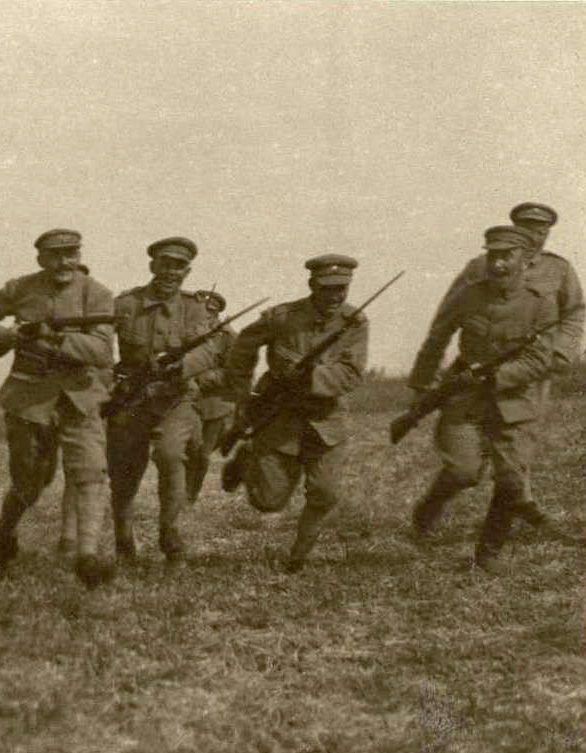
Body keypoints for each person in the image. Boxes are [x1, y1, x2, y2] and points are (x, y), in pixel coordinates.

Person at [408, 225, 573, 572]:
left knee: (511, 481)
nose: (498, 264)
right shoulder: (469, 295)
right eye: (493, 256)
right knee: (463, 471)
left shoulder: (540, 303)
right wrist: (421, 386)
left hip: (515, 402)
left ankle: (489, 553)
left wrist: (497, 377)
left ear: (525, 260)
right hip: (465, 399)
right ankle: (428, 509)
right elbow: (437, 337)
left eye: (506, 256)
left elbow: (538, 360)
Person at [0, 229, 117, 586]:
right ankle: (6, 528)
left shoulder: (97, 293)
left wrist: (54, 337)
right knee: (30, 483)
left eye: (71, 254)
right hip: (29, 400)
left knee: (91, 473)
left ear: (79, 256)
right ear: (41, 259)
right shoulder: (21, 288)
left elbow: (100, 351)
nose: (64, 262)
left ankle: (87, 557)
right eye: (55, 255)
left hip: (79, 397)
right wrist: (9, 336)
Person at [434, 201, 583, 535]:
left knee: (519, 440)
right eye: (527, 228)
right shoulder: (481, 266)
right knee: (472, 450)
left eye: (541, 230)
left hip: (532, 371)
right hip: (480, 370)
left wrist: (561, 352)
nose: (535, 235)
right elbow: (448, 315)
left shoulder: (558, 269)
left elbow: (574, 312)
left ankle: (519, 501)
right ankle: (506, 498)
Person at [220, 255, 369, 573]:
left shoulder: (355, 322)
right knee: (268, 502)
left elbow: (352, 373)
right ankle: (247, 460)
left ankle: (298, 556)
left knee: (325, 493)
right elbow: (244, 344)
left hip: (326, 420)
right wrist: (242, 391)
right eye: (327, 288)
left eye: (341, 288)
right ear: (312, 285)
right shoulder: (283, 317)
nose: (335, 296)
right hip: (280, 417)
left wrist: (311, 377)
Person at [106, 238, 224, 564]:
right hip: (131, 400)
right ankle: (123, 542)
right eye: (165, 264)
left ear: (187, 271)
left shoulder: (196, 309)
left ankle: (171, 539)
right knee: (123, 473)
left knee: (171, 455)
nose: (171, 272)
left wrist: (182, 367)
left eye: (179, 266)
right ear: (152, 266)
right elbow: (99, 342)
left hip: (177, 398)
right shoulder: (125, 304)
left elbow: (211, 350)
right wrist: (109, 381)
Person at [187, 289, 236, 502]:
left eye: (211, 311)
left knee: (202, 455)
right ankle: (174, 494)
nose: (206, 314)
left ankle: (189, 496)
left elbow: (234, 371)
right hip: (183, 399)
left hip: (213, 403)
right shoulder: (184, 329)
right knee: (179, 450)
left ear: (217, 313)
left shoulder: (228, 336)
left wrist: (204, 378)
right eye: (203, 310)